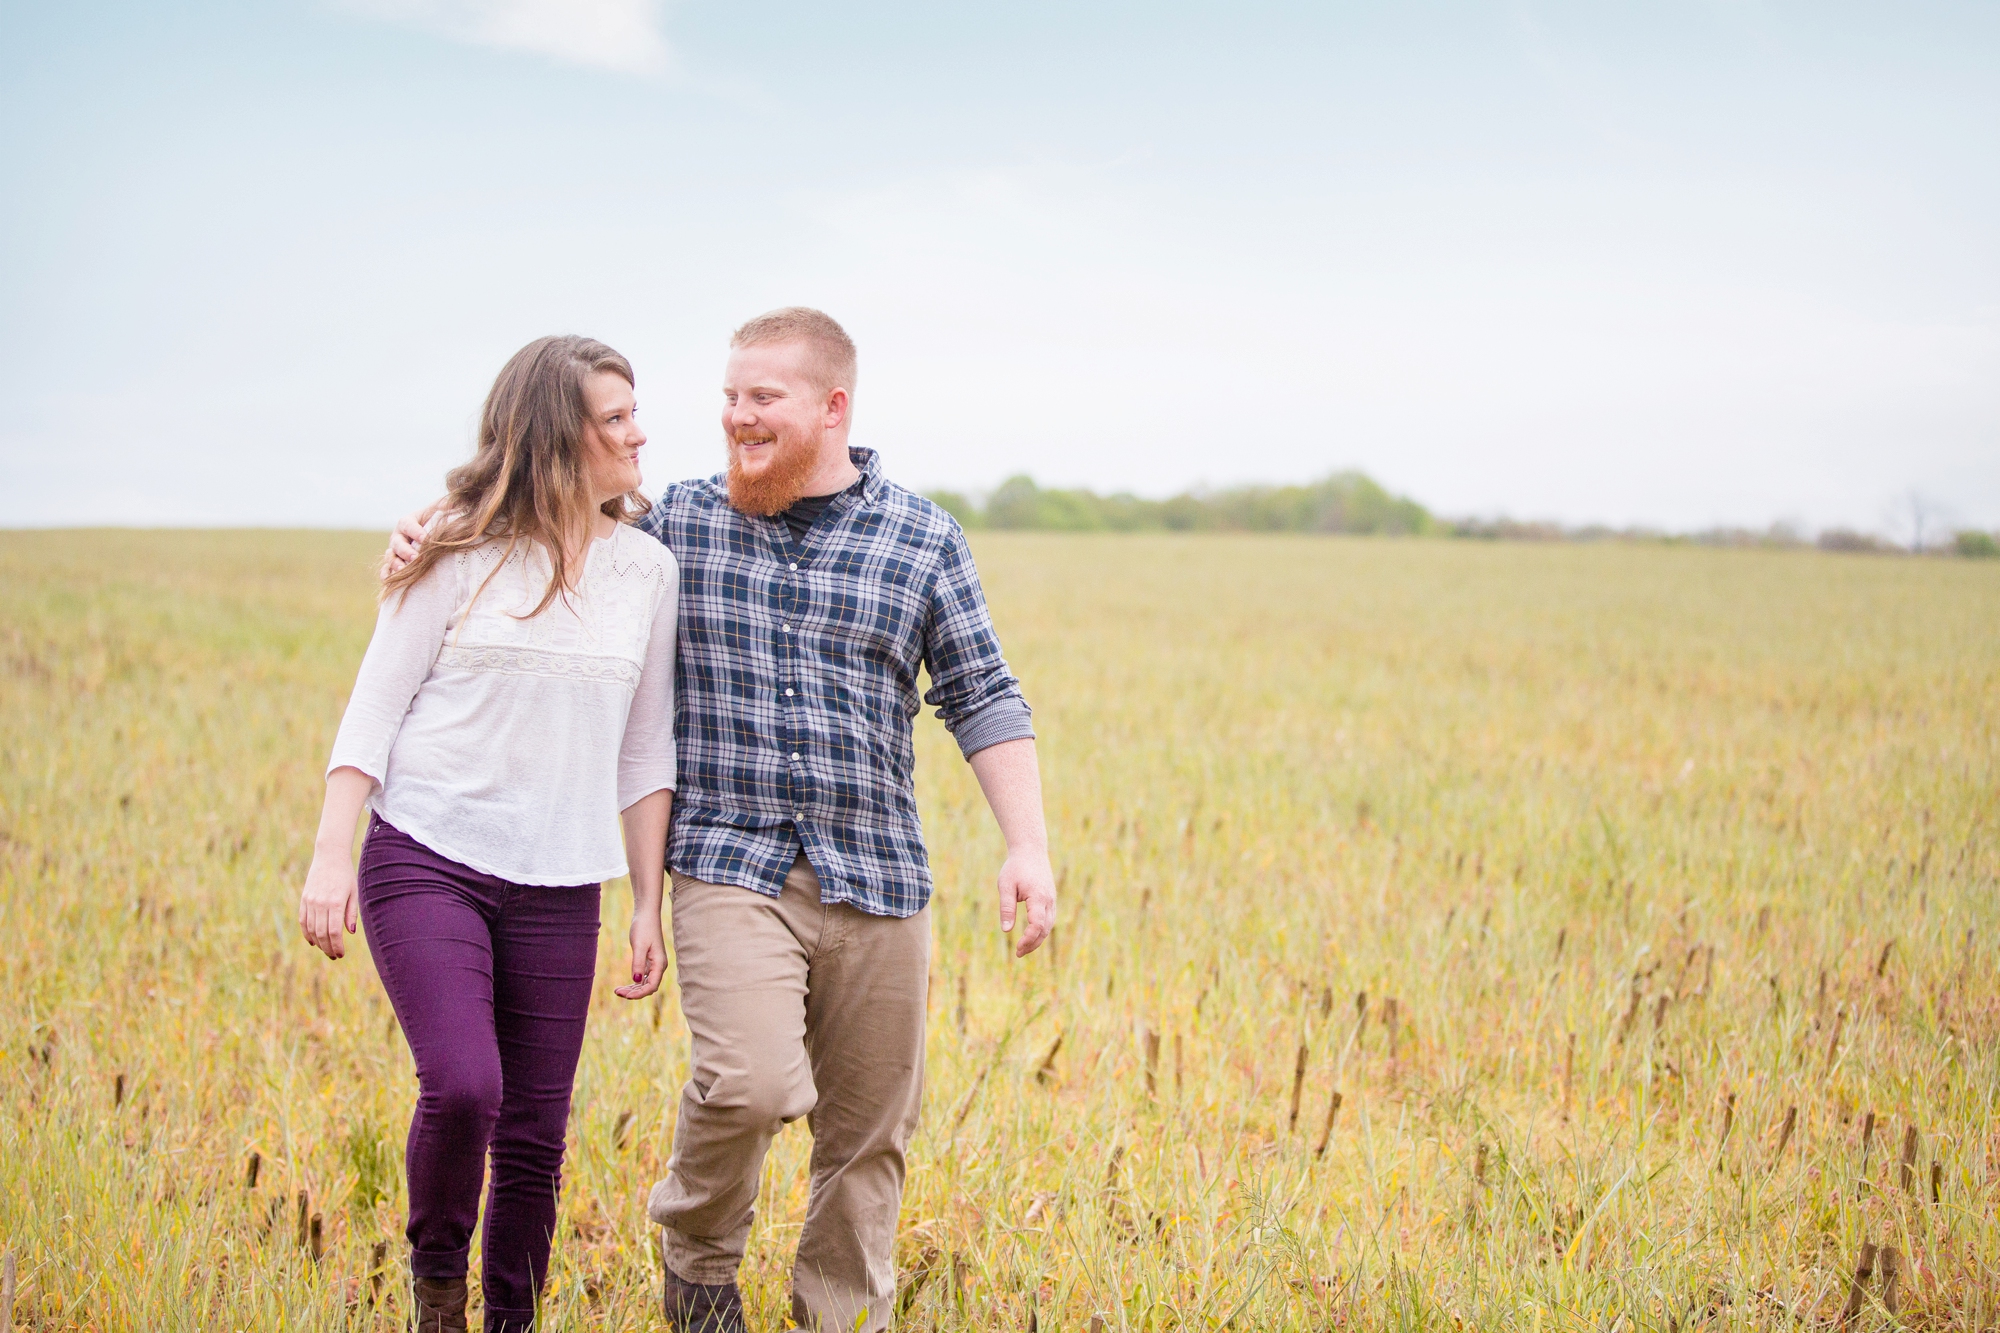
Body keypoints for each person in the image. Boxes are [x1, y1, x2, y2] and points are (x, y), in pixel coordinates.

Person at [390, 308, 1056, 1333]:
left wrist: (1027, 845)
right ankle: (697, 1260)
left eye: (761, 400)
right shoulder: (674, 526)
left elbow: (982, 692)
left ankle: (840, 1316)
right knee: (746, 1082)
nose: (734, 418)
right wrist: (438, 523)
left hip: (878, 871)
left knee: (868, 1133)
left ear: (831, 408)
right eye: (728, 397)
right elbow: (542, 511)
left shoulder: (920, 538)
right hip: (727, 865)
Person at [302, 335, 679, 1333]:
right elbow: (373, 709)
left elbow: (644, 751)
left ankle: (509, 1317)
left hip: (562, 884)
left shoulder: (647, 571)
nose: (639, 431)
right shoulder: (456, 546)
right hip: (427, 854)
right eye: (615, 417)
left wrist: (647, 901)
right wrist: (330, 853)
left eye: (636, 411)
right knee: (466, 1084)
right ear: (559, 434)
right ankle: (437, 1291)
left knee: (535, 1134)